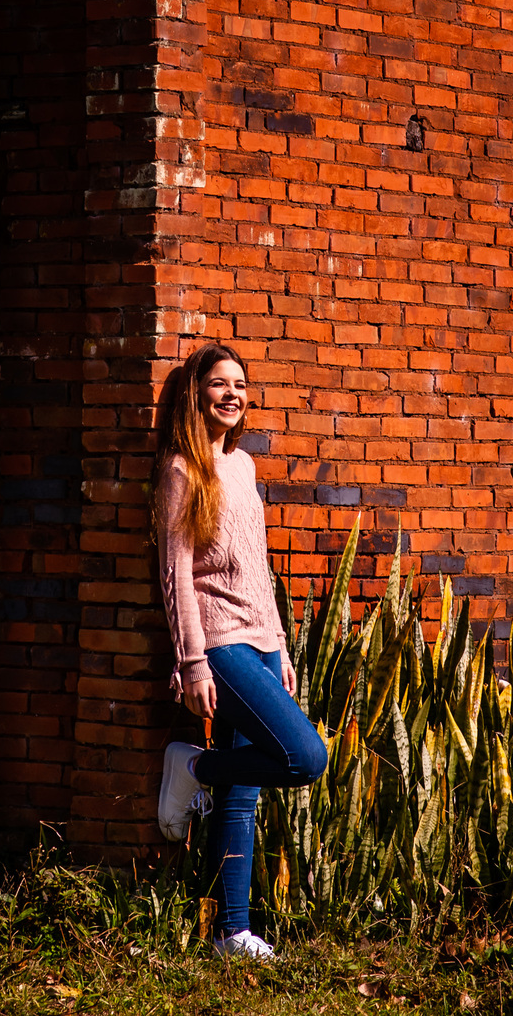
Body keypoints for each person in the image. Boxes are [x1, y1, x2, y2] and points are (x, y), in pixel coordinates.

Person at [153, 342, 328, 962]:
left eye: (241, 385)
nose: (233, 394)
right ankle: (192, 768)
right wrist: (191, 661)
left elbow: (259, 566)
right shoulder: (182, 469)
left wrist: (278, 643)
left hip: (258, 641)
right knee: (305, 756)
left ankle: (232, 931)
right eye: (220, 384)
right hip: (219, 641)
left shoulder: (245, 467)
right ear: (195, 393)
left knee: (243, 792)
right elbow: (176, 571)